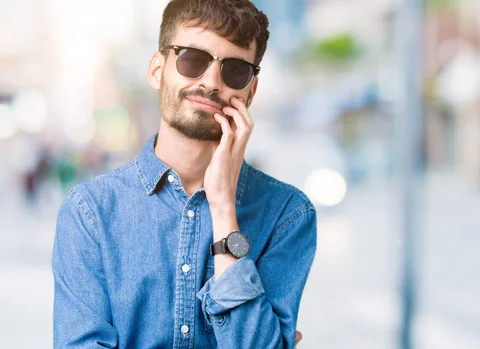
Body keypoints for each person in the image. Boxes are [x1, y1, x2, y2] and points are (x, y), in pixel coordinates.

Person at [52, 0, 317, 348]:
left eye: (235, 70)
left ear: (250, 92)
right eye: (192, 59)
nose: (211, 82)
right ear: (156, 70)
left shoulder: (288, 214)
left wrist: (224, 210)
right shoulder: (91, 212)